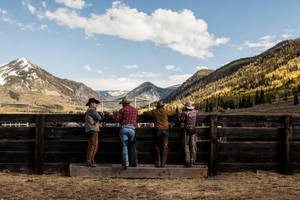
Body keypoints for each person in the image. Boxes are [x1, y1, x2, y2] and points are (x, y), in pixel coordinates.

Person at [143, 101, 176, 167]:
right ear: (163, 106)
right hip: (165, 131)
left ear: (157, 106)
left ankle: (158, 163)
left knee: (157, 146)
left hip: (157, 131)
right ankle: (163, 163)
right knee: (165, 147)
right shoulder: (166, 111)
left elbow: (145, 113)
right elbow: (174, 112)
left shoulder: (154, 112)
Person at [110, 97, 138, 169]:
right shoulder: (135, 110)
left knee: (124, 146)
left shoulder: (122, 110)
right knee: (132, 145)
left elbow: (117, 119)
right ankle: (133, 162)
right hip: (132, 129)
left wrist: (112, 115)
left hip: (124, 129)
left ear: (123, 103)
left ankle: (126, 163)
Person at [178, 101, 198, 168]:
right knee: (193, 145)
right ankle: (193, 159)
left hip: (186, 130)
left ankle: (188, 160)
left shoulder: (185, 113)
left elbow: (181, 120)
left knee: (186, 145)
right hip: (193, 130)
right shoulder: (195, 112)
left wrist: (179, 116)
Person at [85, 98, 103, 167]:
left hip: (90, 129)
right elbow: (99, 118)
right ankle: (89, 161)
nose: (96, 105)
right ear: (92, 104)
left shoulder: (89, 110)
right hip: (93, 129)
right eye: (95, 103)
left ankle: (90, 160)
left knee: (92, 145)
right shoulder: (92, 110)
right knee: (93, 145)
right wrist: (100, 114)